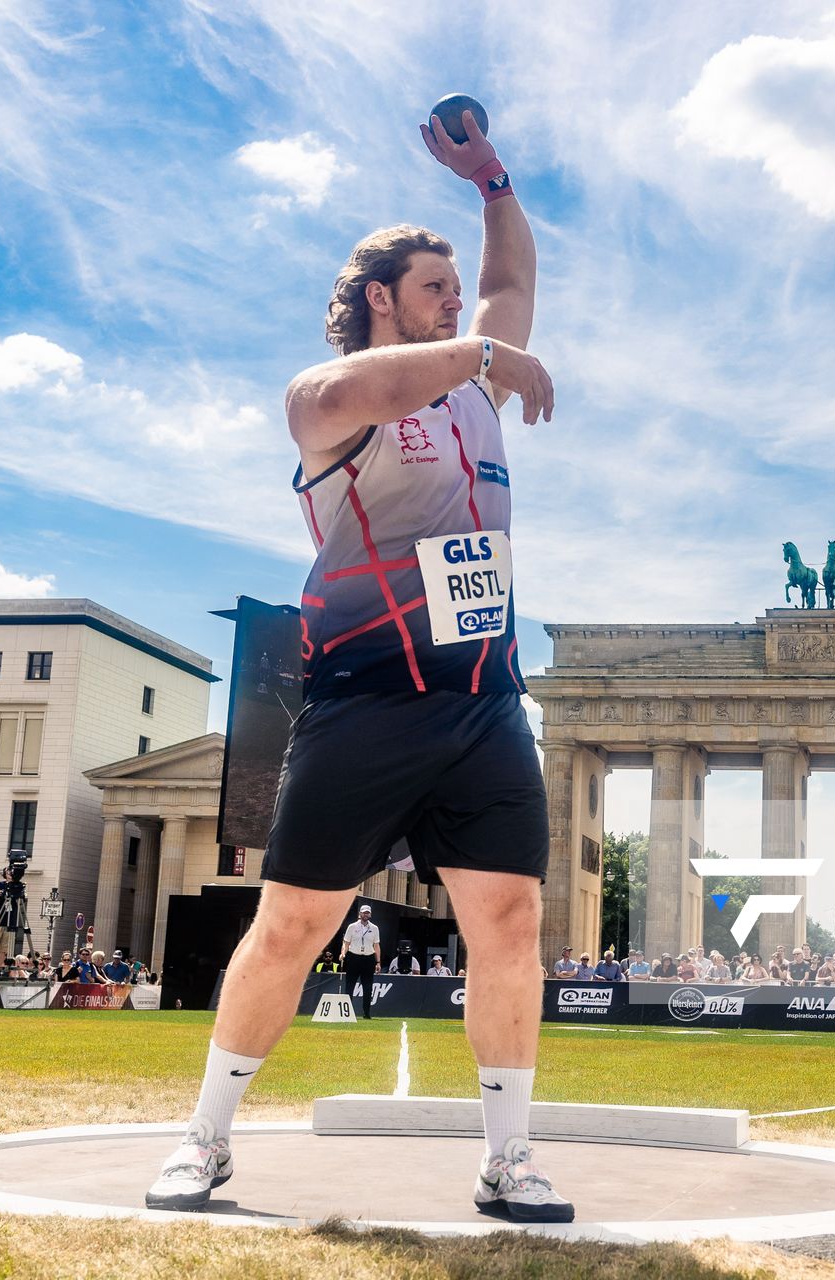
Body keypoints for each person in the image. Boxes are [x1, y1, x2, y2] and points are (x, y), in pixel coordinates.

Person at [147, 109, 568, 1223]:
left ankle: (509, 1157)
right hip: (366, 699)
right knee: (290, 924)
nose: (458, 302)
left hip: (481, 700)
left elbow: (512, 288)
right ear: (383, 297)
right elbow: (370, 388)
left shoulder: (475, 386)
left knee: (513, 921)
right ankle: (204, 1140)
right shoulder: (320, 402)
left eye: (454, 290)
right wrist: (481, 348)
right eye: (435, 286)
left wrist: (493, 184)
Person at [339, 905, 383, 1019]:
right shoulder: (352, 927)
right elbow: (346, 942)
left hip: (368, 958)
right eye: (364, 913)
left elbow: (376, 945)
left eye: (367, 913)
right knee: (350, 986)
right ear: (360, 913)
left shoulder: (374, 928)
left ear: (370, 914)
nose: (366, 914)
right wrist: (343, 953)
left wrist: (378, 962)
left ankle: (366, 1013)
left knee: (368, 987)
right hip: (354, 957)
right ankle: (347, 1012)